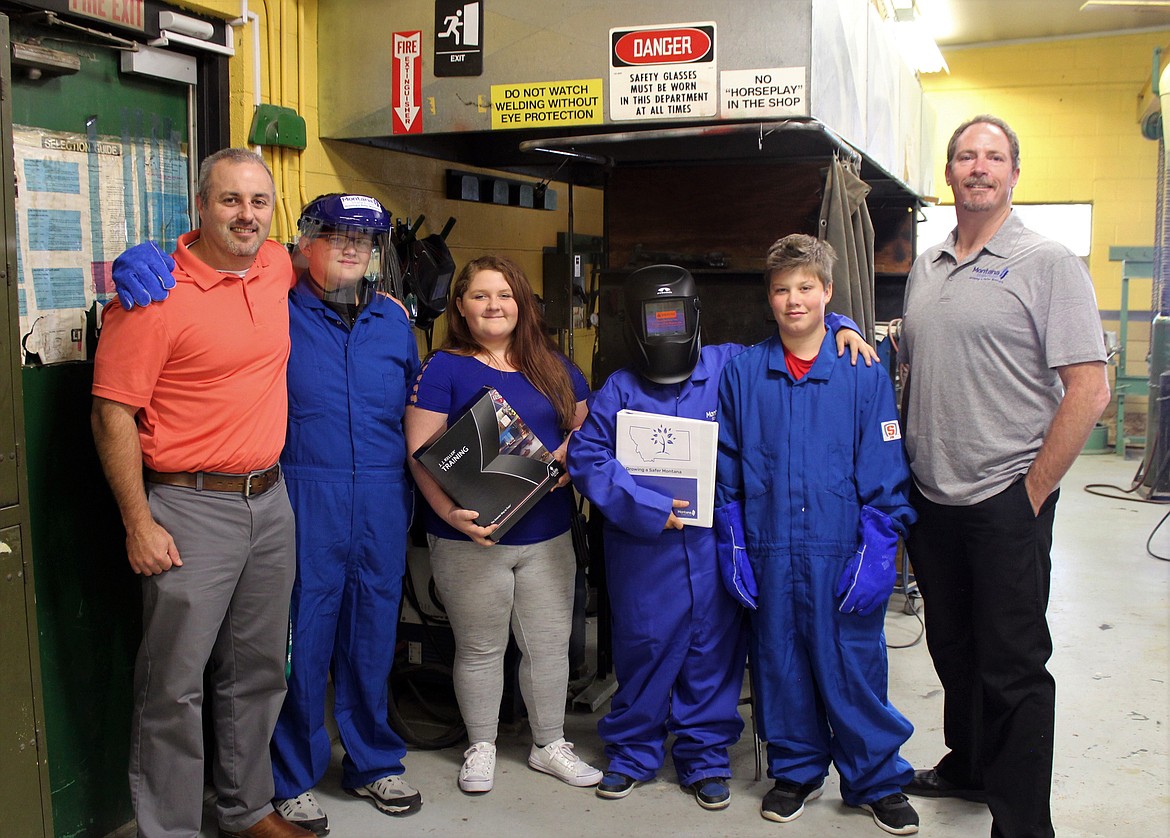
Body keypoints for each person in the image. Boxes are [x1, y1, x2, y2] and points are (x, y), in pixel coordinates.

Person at [108, 194, 425, 836]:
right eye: (333, 236)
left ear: (377, 254)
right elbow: (215, 256)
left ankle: (374, 760)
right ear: (303, 244)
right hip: (304, 492)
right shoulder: (273, 302)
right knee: (296, 642)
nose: (348, 249)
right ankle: (292, 775)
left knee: (371, 632)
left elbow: (414, 418)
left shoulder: (395, 322)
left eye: (362, 242)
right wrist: (143, 257)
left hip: (383, 500)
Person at [566, 264, 878, 811]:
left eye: (675, 316)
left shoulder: (731, 363)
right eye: (654, 318)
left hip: (717, 547)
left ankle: (705, 758)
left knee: (714, 654)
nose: (667, 329)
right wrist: (648, 506)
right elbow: (589, 456)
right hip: (645, 550)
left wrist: (845, 323)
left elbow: (796, 334)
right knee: (643, 651)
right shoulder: (620, 388)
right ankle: (633, 754)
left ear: (695, 316)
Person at [897, 115, 1110, 838]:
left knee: (1013, 667)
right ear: (949, 174)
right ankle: (971, 766)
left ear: (1015, 174)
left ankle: (1021, 824)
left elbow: (1088, 387)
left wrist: (1032, 492)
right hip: (931, 496)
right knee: (954, 647)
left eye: (993, 157)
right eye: (965, 156)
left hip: (1005, 497)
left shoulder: (1048, 263)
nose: (979, 167)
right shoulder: (926, 266)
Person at [91, 149, 311, 838]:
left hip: (270, 504)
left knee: (258, 673)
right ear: (201, 206)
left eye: (258, 201)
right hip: (189, 507)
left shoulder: (275, 265)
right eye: (230, 200)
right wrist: (137, 522)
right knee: (174, 688)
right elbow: (111, 414)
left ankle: (247, 812)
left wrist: (386, 292)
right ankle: (172, 830)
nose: (246, 215)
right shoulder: (153, 297)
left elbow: (333, 260)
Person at [716, 234, 920, 835]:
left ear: (828, 293)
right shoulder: (745, 372)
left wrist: (880, 547)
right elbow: (726, 467)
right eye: (781, 289)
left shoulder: (860, 369)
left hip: (843, 548)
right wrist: (731, 539)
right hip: (769, 544)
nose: (793, 299)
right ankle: (797, 770)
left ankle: (875, 780)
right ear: (769, 298)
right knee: (780, 663)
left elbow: (885, 465)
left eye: (806, 287)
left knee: (853, 664)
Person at [404, 254, 600, 795]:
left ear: (523, 304)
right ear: (461, 308)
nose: (494, 305)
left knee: (548, 645)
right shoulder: (442, 367)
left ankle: (549, 744)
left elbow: (587, 433)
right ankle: (482, 745)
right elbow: (421, 453)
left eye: (505, 295)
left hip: (547, 535)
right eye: (480, 296)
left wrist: (567, 459)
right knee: (481, 647)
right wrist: (448, 514)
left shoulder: (556, 367)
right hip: (471, 536)